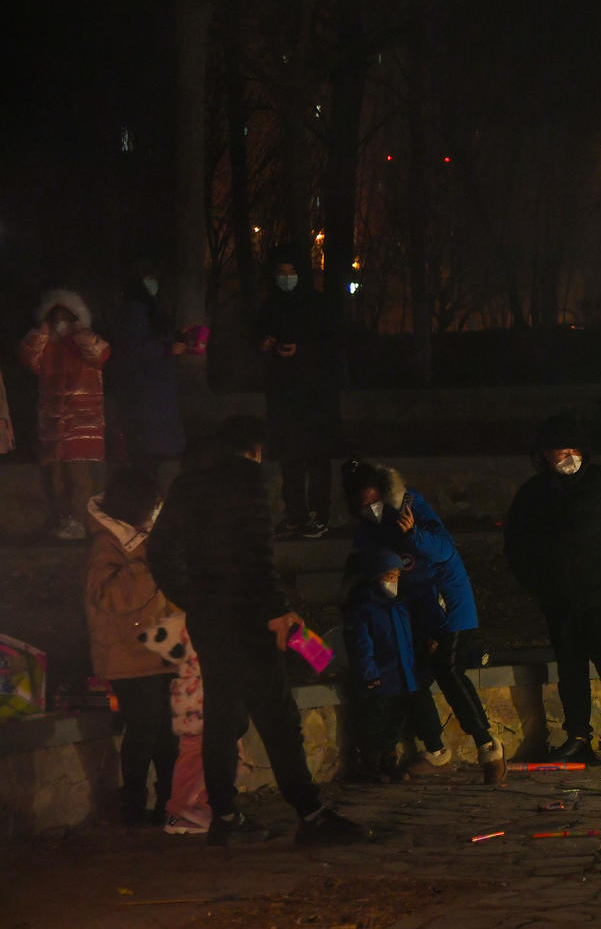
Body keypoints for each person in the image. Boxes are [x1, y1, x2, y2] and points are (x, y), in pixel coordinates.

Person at [146, 414, 367, 846]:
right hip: (247, 618)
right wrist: (278, 611)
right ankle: (311, 813)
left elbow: (160, 553)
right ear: (255, 449)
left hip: (209, 619)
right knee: (278, 717)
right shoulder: (248, 482)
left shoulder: (187, 484)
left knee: (222, 717)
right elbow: (257, 558)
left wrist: (196, 598)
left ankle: (225, 816)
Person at [342, 459, 506, 783]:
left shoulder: (410, 506)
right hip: (409, 612)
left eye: (374, 501)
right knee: (413, 678)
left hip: (449, 604)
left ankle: (487, 744)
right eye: (363, 506)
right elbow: (363, 570)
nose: (371, 509)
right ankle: (432, 750)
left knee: (447, 666)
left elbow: (444, 549)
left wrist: (413, 534)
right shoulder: (368, 534)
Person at [504, 414, 601, 765]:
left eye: (568, 450)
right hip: (560, 599)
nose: (563, 457)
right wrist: (540, 585)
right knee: (571, 669)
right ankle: (578, 736)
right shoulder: (535, 493)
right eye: (555, 452)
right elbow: (516, 544)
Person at [84, 468, 178, 826]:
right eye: (153, 504)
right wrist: (147, 564)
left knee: (167, 736)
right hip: (128, 657)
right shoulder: (106, 545)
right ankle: (133, 803)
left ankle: (169, 801)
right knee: (144, 730)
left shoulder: (149, 540)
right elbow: (112, 597)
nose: (157, 511)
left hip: (162, 652)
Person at [255, 244, 341, 539]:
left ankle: (319, 514)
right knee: (289, 456)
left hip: (315, 396)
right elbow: (257, 340)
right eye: (282, 273)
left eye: (292, 272)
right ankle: (295, 514)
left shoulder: (317, 306)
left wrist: (300, 352)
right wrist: (265, 345)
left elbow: (332, 347)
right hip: (282, 395)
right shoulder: (270, 306)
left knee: (316, 456)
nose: (287, 278)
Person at [20, 288, 111, 539]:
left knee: (78, 477)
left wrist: (81, 332)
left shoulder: (85, 341)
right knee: (54, 478)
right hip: (52, 424)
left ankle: (79, 522)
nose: (60, 321)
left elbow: (101, 353)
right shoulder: (45, 342)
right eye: (54, 315)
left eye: (65, 315)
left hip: (81, 424)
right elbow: (29, 359)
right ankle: (59, 520)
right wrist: (42, 333)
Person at [342, 548, 438, 783]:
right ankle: (371, 764)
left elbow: (409, 639)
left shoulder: (400, 605)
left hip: (401, 676)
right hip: (380, 677)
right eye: (388, 576)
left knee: (394, 721)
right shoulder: (364, 608)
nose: (393, 581)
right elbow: (361, 645)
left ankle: (388, 760)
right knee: (375, 719)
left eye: (396, 575)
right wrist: (368, 672)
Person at [108, 259, 187, 477]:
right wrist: (167, 348)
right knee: (148, 462)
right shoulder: (135, 311)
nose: (153, 283)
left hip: (155, 395)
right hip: (147, 396)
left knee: (153, 461)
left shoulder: (148, 310)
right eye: (148, 279)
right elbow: (132, 349)